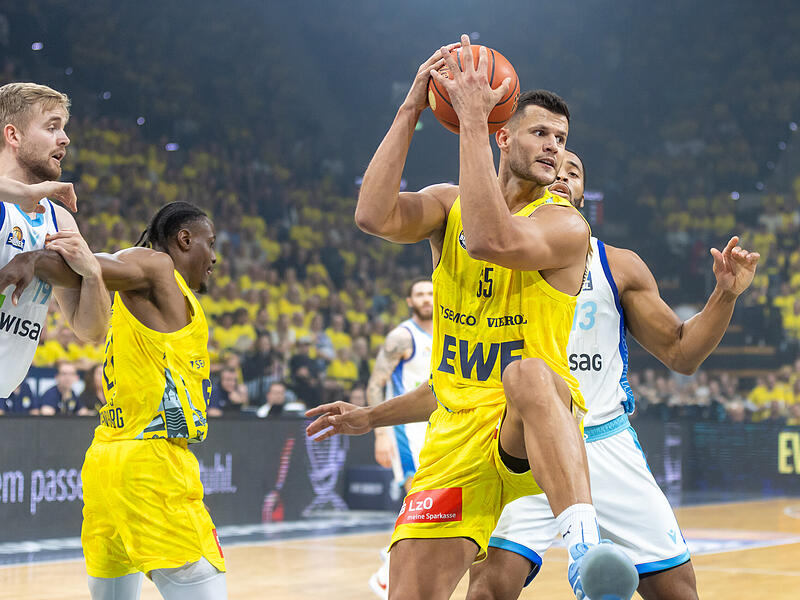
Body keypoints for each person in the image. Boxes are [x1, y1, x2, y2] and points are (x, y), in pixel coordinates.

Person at [317, 35, 638, 600]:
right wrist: (411, 107)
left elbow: (493, 239)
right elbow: (372, 214)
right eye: (541, 133)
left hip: (527, 429)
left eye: (562, 140)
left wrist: (469, 118)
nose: (555, 149)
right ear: (504, 134)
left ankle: (585, 549)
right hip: (453, 438)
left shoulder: (566, 225)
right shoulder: (446, 206)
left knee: (528, 374)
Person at [464, 150, 759, 600]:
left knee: (679, 592)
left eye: (574, 171)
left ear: (583, 194)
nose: (562, 174)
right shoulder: (493, 259)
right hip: (526, 445)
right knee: (487, 589)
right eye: (554, 165)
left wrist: (724, 295)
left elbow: (681, 353)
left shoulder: (617, 265)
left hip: (602, 439)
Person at [0, 201, 225, 599]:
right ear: (184, 239)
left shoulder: (148, 292)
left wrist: (35, 261)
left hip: (107, 465)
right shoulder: (157, 267)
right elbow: (90, 262)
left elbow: (89, 268)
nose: (215, 256)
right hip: (153, 465)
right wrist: (31, 258)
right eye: (210, 243)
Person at [0, 82, 110, 402]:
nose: (65, 138)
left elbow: (91, 331)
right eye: (52, 127)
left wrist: (92, 275)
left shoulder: (59, 220)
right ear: (13, 135)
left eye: (63, 128)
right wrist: (28, 192)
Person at [366, 277, 434, 598]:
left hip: (442, 429)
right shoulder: (401, 336)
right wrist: (380, 432)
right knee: (423, 503)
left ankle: (393, 556)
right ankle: (387, 573)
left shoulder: (451, 329)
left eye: (431, 293)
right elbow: (375, 384)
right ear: (410, 301)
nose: (426, 298)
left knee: (430, 506)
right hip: (408, 432)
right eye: (420, 294)